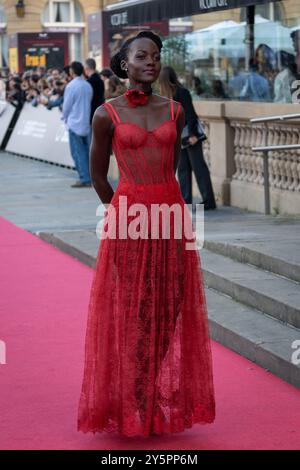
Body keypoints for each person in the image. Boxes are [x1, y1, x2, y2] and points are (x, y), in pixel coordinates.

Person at [77, 30, 216, 437]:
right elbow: (99, 175)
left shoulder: (174, 111)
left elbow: (172, 165)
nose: (151, 62)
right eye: (142, 56)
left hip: (171, 219)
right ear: (125, 64)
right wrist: (123, 210)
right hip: (129, 222)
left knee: (170, 306)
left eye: (156, 55)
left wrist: (162, 204)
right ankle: (134, 397)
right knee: (135, 312)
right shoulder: (107, 113)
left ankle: (149, 387)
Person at [159, 65, 216, 210]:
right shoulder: (165, 98)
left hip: (190, 136)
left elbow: (190, 114)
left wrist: (193, 135)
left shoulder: (182, 93)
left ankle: (209, 200)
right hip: (178, 138)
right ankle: (185, 200)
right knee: (183, 169)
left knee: (198, 167)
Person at [62, 61, 93, 188]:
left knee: (77, 153)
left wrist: (64, 118)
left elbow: (67, 106)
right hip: (85, 122)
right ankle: (88, 177)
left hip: (74, 123)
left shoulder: (71, 86)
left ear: (72, 71)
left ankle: (84, 178)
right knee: (86, 152)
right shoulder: (87, 85)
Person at [84, 58, 105, 124]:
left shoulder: (88, 82)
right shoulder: (101, 80)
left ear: (87, 68)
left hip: (91, 112)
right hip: (100, 110)